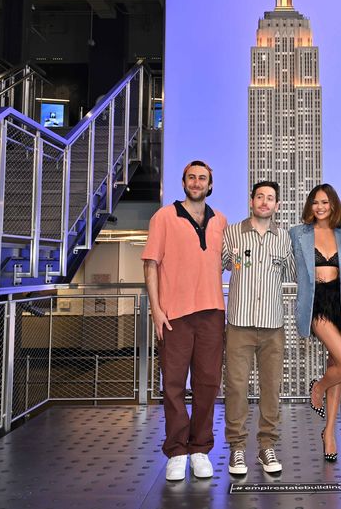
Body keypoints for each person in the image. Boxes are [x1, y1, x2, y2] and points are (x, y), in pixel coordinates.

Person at [141, 160, 227, 481]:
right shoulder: (163, 217)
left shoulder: (221, 220)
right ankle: (177, 450)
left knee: (207, 384)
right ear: (183, 182)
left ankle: (201, 447)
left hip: (212, 313)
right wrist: (156, 310)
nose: (196, 182)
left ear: (210, 184)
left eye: (202, 178)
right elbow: (150, 265)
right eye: (191, 177)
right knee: (173, 384)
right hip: (174, 314)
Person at [221, 181, 295, 476]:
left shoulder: (285, 239)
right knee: (236, 388)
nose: (265, 202)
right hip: (238, 323)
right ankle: (237, 448)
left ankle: (267, 446)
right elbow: (217, 266)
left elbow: (294, 272)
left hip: (273, 325)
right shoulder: (232, 233)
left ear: (277, 205)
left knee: (271, 389)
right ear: (251, 201)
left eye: (271, 198)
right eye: (260, 197)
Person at [288, 183, 341, 462]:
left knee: (337, 366)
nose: (320, 207)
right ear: (309, 206)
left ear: (333, 206)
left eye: (325, 202)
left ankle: (329, 433)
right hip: (317, 303)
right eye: (315, 202)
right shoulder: (298, 233)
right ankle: (318, 387)